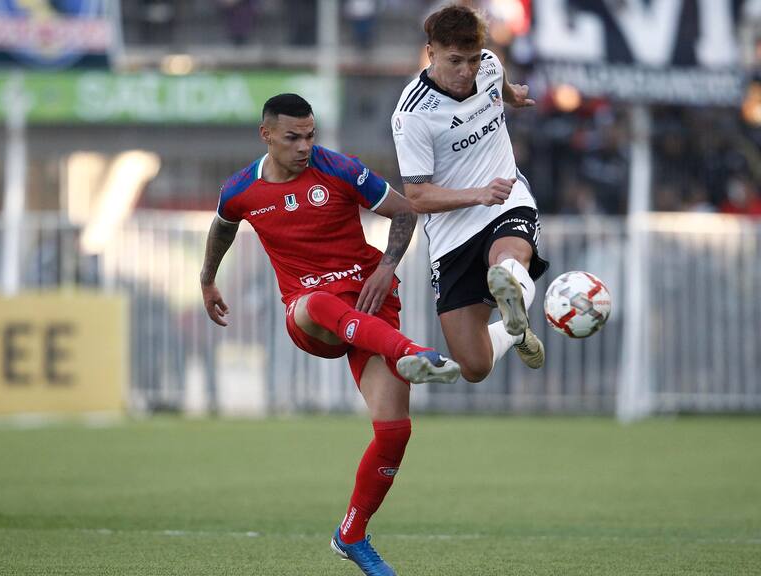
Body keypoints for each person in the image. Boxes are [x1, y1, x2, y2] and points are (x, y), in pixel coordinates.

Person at [200, 93, 461, 576]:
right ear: (267, 135)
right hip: (314, 318)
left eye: (311, 135)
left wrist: (386, 267)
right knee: (316, 301)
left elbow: (405, 212)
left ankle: (352, 534)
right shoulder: (240, 188)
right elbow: (223, 226)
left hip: (369, 305)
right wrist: (207, 278)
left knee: (394, 431)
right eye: (293, 137)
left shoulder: (340, 169)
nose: (304, 146)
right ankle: (412, 354)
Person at [391, 4, 548, 383]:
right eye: (455, 61)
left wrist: (514, 96)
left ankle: (509, 284)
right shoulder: (412, 115)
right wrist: (477, 194)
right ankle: (517, 331)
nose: (466, 71)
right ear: (432, 53)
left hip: (506, 198)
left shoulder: (490, 65)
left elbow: (499, 81)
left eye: (473, 59)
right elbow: (417, 197)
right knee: (476, 366)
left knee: (507, 259)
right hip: (453, 232)